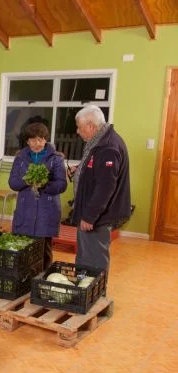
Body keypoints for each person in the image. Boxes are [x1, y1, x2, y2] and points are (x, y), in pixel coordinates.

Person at [71, 105, 131, 274]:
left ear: (91, 126)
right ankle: (85, 292)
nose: (77, 131)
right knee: (86, 257)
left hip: (97, 217)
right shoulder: (102, 140)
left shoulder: (107, 147)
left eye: (80, 127)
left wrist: (89, 216)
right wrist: (81, 170)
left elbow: (105, 187)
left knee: (93, 259)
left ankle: (94, 295)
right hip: (94, 213)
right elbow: (98, 172)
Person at [8, 122, 67, 270]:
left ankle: (43, 281)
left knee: (44, 250)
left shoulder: (56, 159)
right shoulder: (20, 158)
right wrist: (26, 181)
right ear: (27, 141)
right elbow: (13, 183)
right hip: (25, 209)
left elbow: (62, 185)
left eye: (40, 139)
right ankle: (25, 281)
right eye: (33, 140)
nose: (37, 143)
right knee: (23, 248)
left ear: (46, 139)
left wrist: (44, 185)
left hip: (46, 211)